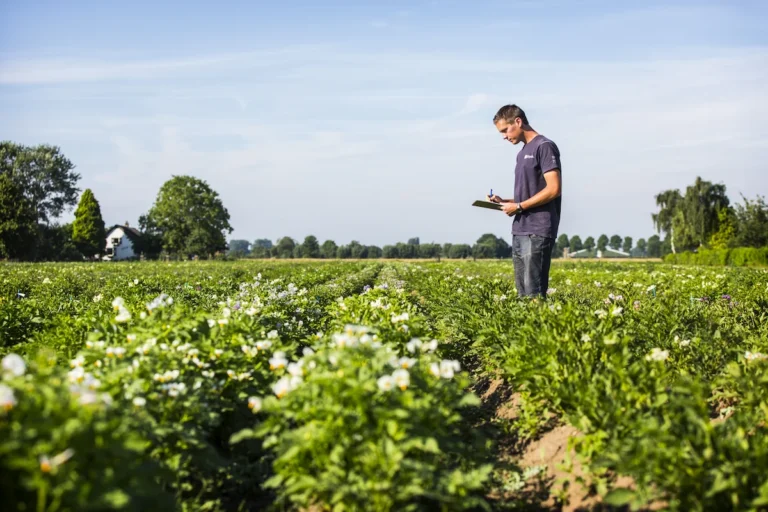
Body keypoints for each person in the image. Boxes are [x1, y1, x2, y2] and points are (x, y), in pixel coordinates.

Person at [487, 104, 562, 298]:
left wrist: (519, 206)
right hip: (520, 229)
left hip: (538, 230)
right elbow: (529, 194)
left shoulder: (544, 146)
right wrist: (504, 201)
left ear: (518, 121)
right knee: (522, 295)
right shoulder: (521, 153)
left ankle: (538, 328)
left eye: (505, 130)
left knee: (533, 294)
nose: (504, 136)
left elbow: (554, 189)